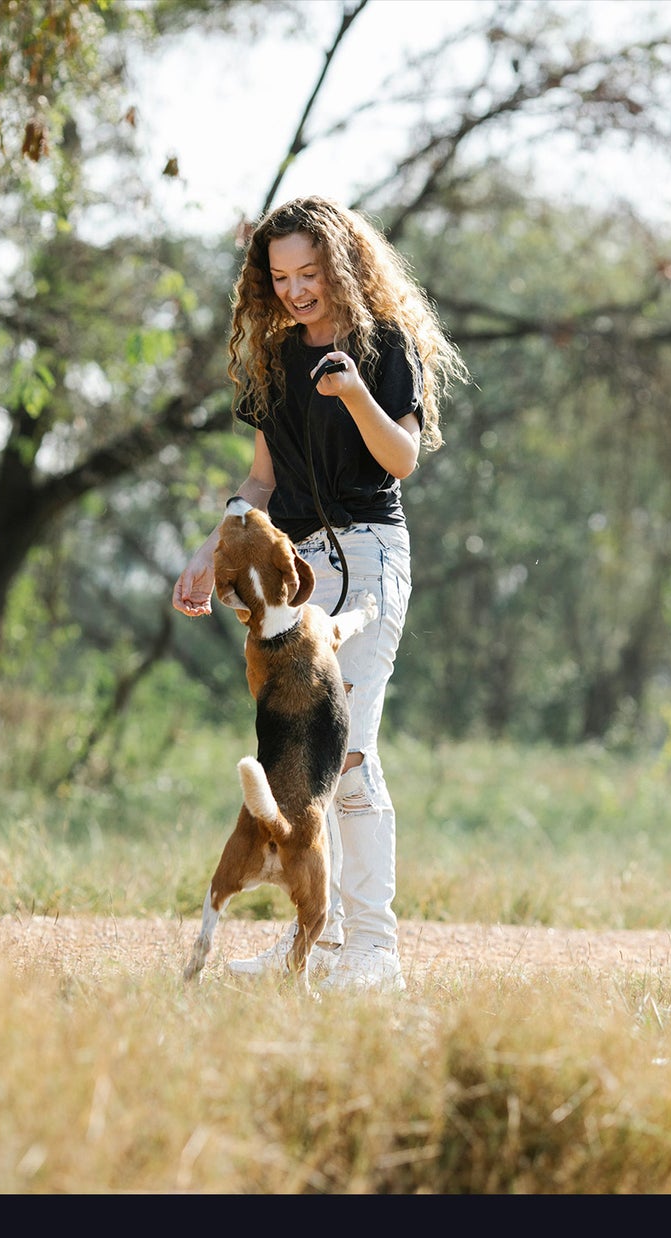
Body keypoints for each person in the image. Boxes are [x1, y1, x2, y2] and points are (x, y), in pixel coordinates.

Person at [173, 194, 468, 992]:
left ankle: (375, 950)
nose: (297, 288)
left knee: (351, 753)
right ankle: (319, 937)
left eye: (309, 271)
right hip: (297, 577)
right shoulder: (273, 360)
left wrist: (354, 395)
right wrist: (211, 546)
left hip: (370, 559)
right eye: (281, 276)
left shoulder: (383, 345)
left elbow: (401, 457)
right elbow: (261, 481)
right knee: (302, 764)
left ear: (340, 264)